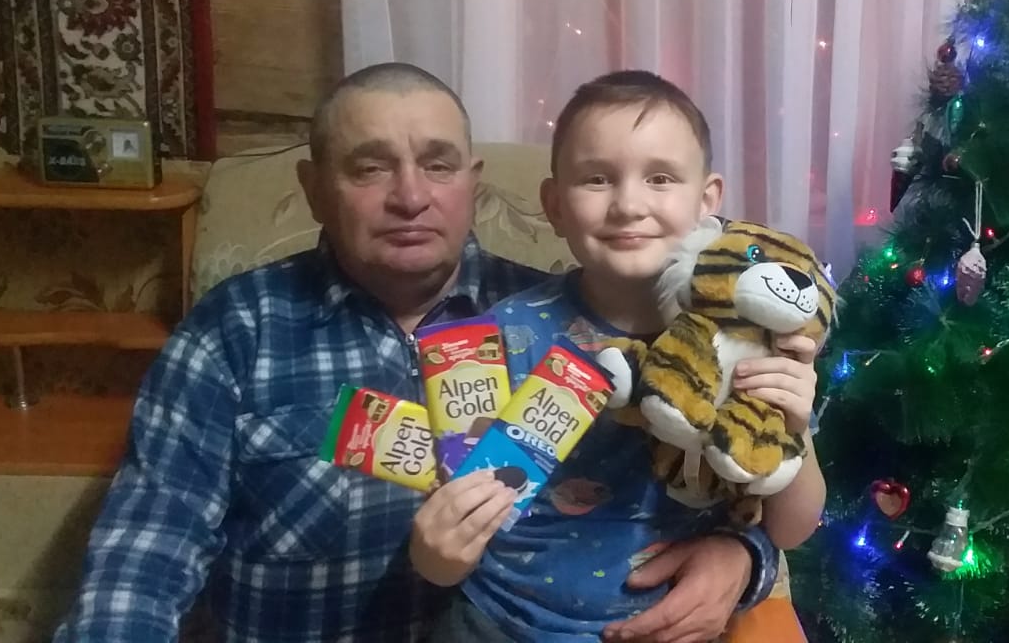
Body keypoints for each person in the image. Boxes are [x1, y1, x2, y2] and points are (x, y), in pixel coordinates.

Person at [53, 62, 798, 643]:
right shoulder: (238, 328)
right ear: (313, 189)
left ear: (473, 185)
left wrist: (743, 560)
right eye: (370, 167)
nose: (410, 196)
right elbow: (147, 550)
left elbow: (708, 483)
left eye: (438, 165)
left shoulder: (570, 326)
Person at [414, 70, 828, 642]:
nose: (629, 205)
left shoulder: (750, 340)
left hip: (674, 626)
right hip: (498, 622)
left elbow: (791, 529)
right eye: (597, 179)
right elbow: (443, 553)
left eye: (660, 178)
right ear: (554, 205)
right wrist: (436, 554)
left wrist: (796, 429)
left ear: (707, 201)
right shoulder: (501, 337)